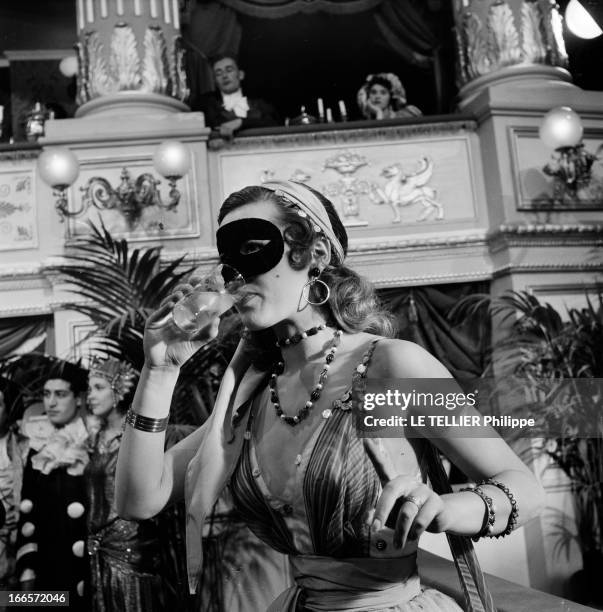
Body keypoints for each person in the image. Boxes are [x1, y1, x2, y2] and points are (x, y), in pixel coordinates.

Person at [115, 180, 545, 611]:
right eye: (226, 260)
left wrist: (445, 509)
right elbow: (140, 499)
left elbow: (524, 488)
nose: (234, 276)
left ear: (315, 255)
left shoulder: (390, 369)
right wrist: (159, 370)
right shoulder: (250, 394)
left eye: (250, 250)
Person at [85, 356, 170, 612]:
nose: (90, 396)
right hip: (98, 545)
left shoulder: (134, 437)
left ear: (119, 391)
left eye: (99, 388)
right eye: (89, 389)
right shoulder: (95, 438)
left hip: (131, 546)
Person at [16, 359, 89, 608]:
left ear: (78, 399)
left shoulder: (91, 442)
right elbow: (27, 518)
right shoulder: (36, 448)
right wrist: (27, 577)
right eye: (46, 394)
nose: (51, 402)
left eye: (61, 394)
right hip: (45, 570)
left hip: (84, 570)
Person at [199, 54, 278, 139]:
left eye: (229, 70)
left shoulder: (260, 103)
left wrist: (241, 123)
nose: (224, 76)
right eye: (219, 73)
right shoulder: (207, 106)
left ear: (240, 75)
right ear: (215, 81)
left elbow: (274, 124)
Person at [357, 73, 422, 120]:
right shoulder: (365, 122)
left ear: (390, 97)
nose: (377, 96)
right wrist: (379, 113)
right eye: (373, 92)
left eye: (383, 93)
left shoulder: (405, 116)